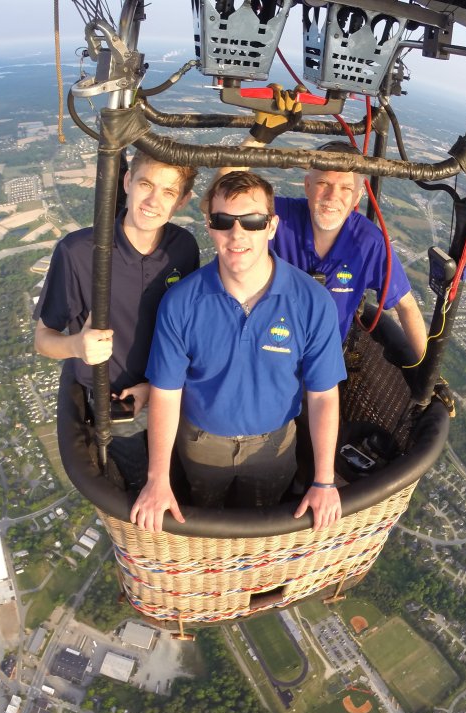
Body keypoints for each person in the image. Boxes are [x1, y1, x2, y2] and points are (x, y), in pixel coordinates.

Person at [130, 171, 347, 533]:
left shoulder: (312, 302)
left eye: (252, 221)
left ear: (272, 226)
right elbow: (166, 394)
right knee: (200, 521)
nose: (237, 234)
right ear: (210, 227)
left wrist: (324, 480)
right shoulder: (181, 302)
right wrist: (157, 479)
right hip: (201, 444)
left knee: (264, 525)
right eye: (223, 221)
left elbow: (324, 395)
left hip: (274, 447)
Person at [32, 151, 199, 488]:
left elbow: (187, 329)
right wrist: (77, 345)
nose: (153, 201)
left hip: (172, 392)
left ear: (182, 201)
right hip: (119, 407)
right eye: (146, 184)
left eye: (168, 192)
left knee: (185, 484)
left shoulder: (184, 248)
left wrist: (157, 387)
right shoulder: (79, 252)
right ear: (127, 182)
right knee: (138, 494)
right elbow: (42, 340)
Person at [222, 89, 428, 359]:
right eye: (323, 184)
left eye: (345, 188)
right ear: (307, 186)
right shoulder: (280, 216)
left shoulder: (368, 242)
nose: (333, 197)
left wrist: (426, 380)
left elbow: (406, 306)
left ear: (357, 196)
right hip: (263, 351)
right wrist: (259, 136)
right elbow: (225, 197)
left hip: (323, 360)